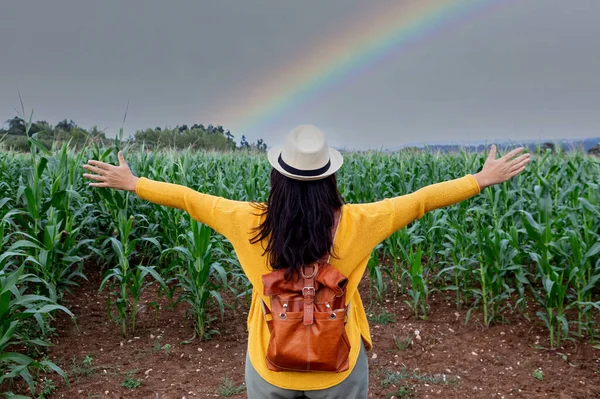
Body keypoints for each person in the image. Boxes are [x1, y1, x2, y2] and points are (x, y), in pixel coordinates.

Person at [82, 125, 530, 398]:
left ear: (277, 177)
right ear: (329, 178)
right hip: (340, 368)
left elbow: (190, 200)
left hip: (269, 364)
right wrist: (481, 178)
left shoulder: (246, 220)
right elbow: (419, 202)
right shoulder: (360, 222)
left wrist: (133, 182)